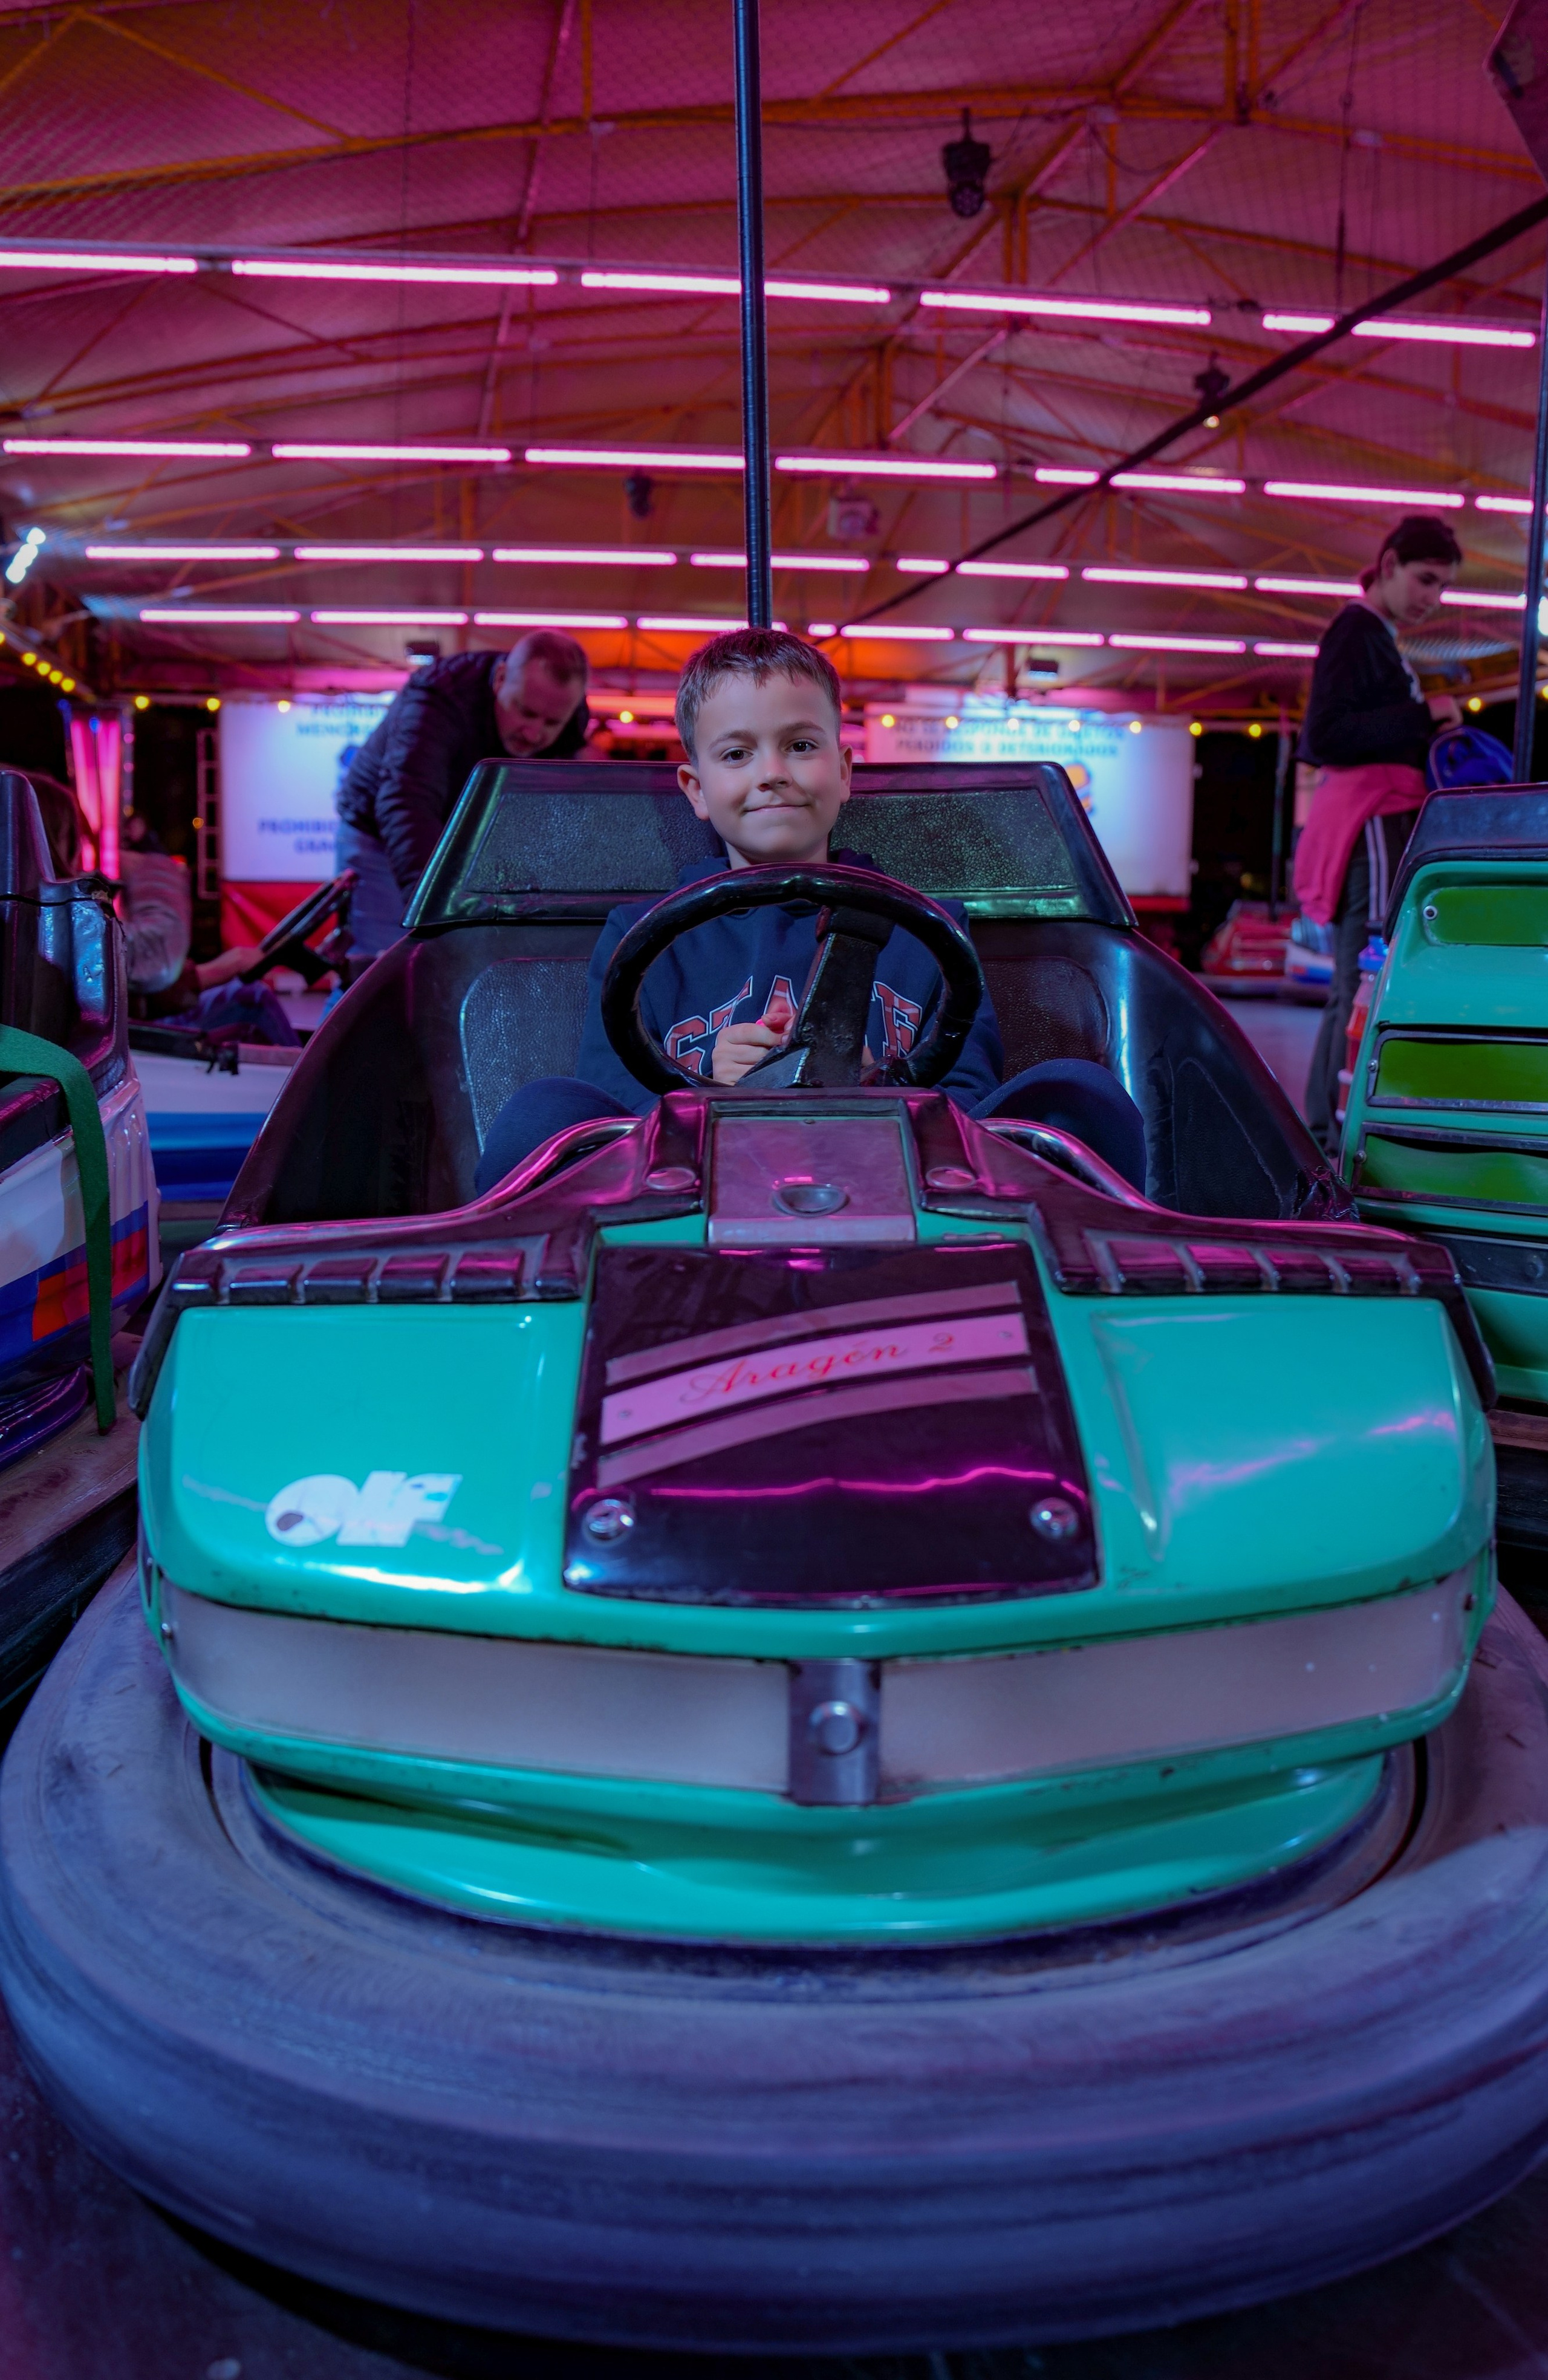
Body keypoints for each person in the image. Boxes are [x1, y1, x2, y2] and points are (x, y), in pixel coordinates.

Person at [472, 628, 1146, 1196]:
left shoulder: (929, 928)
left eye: (800, 745)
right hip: (689, 1194)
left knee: (1078, 1094)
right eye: (737, 754)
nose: (772, 772)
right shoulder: (641, 940)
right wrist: (703, 1088)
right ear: (696, 788)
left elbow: (968, 1094)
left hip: (902, 1186)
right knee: (543, 1113)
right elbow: (612, 1105)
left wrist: (875, 1084)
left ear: (845, 769)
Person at [1294, 515, 1463, 1151]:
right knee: (1360, 979)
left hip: (1376, 823)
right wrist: (1426, 716)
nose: (1432, 599)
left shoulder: (1376, 637)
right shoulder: (1355, 631)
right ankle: (1327, 1137)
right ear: (1387, 565)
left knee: (1362, 980)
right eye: (1424, 580)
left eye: (1442, 587)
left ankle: (1327, 1131)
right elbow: (1324, 737)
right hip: (1368, 823)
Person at [335, 631, 590, 954]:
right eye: (525, 712)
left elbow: (547, 805)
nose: (534, 732)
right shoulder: (438, 697)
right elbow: (407, 801)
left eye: (552, 722)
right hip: (383, 837)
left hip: (471, 841)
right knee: (379, 966)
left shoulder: (573, 721)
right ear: (500, 679)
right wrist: (433, 909)